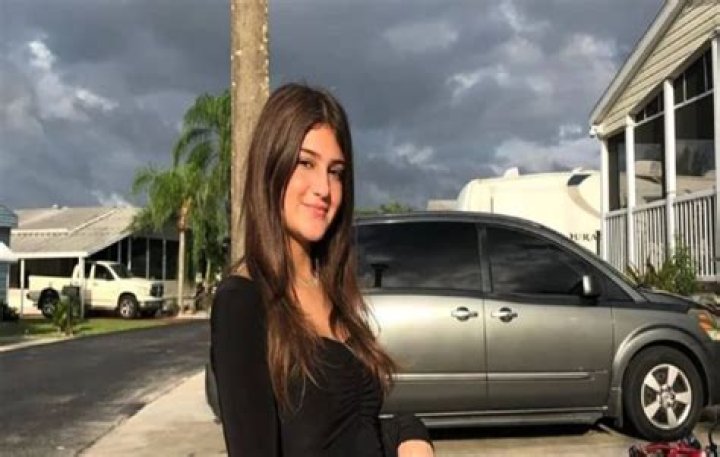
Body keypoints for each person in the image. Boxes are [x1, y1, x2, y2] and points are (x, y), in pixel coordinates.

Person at [210, 83, 434, 457]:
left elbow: (350, 429)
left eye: (336, 172)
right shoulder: (243, 303)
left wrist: (409, 432)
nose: (324, 189)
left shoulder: (329, 290)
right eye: (306, 163)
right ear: (271, 166)